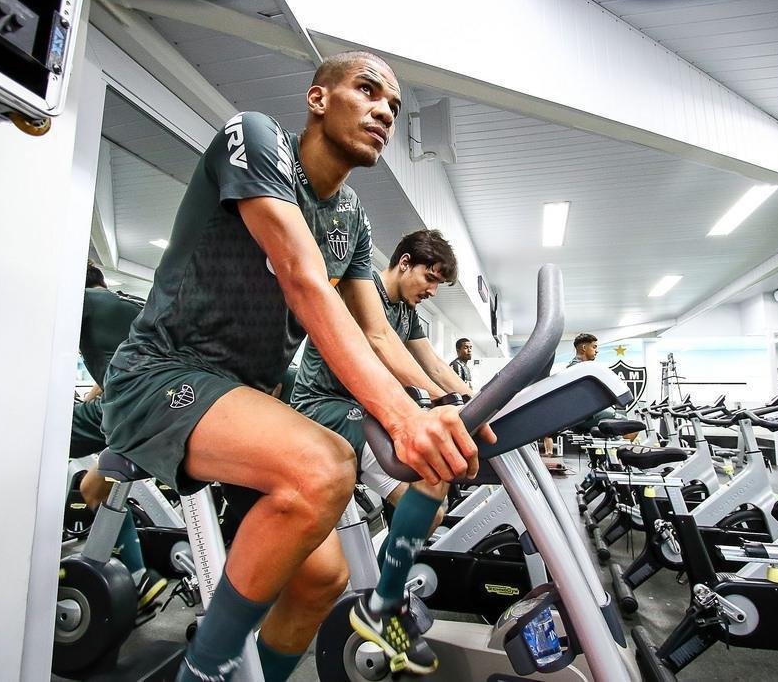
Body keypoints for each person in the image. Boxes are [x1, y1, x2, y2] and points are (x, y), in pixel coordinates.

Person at [98, 51, 489, 682]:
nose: (385, 112)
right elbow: (304, 280)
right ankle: (202, 674)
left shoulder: (353, 217)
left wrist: (445, 404)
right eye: (368, 92)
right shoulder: (255, 139)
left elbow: (376, 332)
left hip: (246, 398)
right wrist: (401, 416)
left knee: (322, 581)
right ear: (318, 99)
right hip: (162, 376)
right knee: (325, 465)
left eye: (393, 105)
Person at [290, 228, 471, 674]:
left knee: (431, 506)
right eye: (429, 277)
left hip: (362, 413)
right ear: (404, 262)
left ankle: (383, 594)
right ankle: (382, 602)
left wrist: (477, 402)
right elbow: (379, 345)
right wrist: (439, 401)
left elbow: (434, 366)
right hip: (324, 406)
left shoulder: (408, 313)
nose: (432, 290)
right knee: (429, 474)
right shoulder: (363, 284)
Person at [71, 261, 167, 611]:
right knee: (92, 488)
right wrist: (93, 396)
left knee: (41, 438)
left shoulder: (79, 303)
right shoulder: (124, 305)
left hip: (128, 409)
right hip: (162, 408)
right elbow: (121, 362)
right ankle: (141, 578)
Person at [542, 333, 602, 457]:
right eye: (594, 347)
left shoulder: (580, 367)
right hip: (583, 415)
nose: (597, 351)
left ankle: (607, 462)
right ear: (584, 348)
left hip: (583, 413)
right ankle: (625, 465)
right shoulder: (578, 369)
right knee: (625, 422)